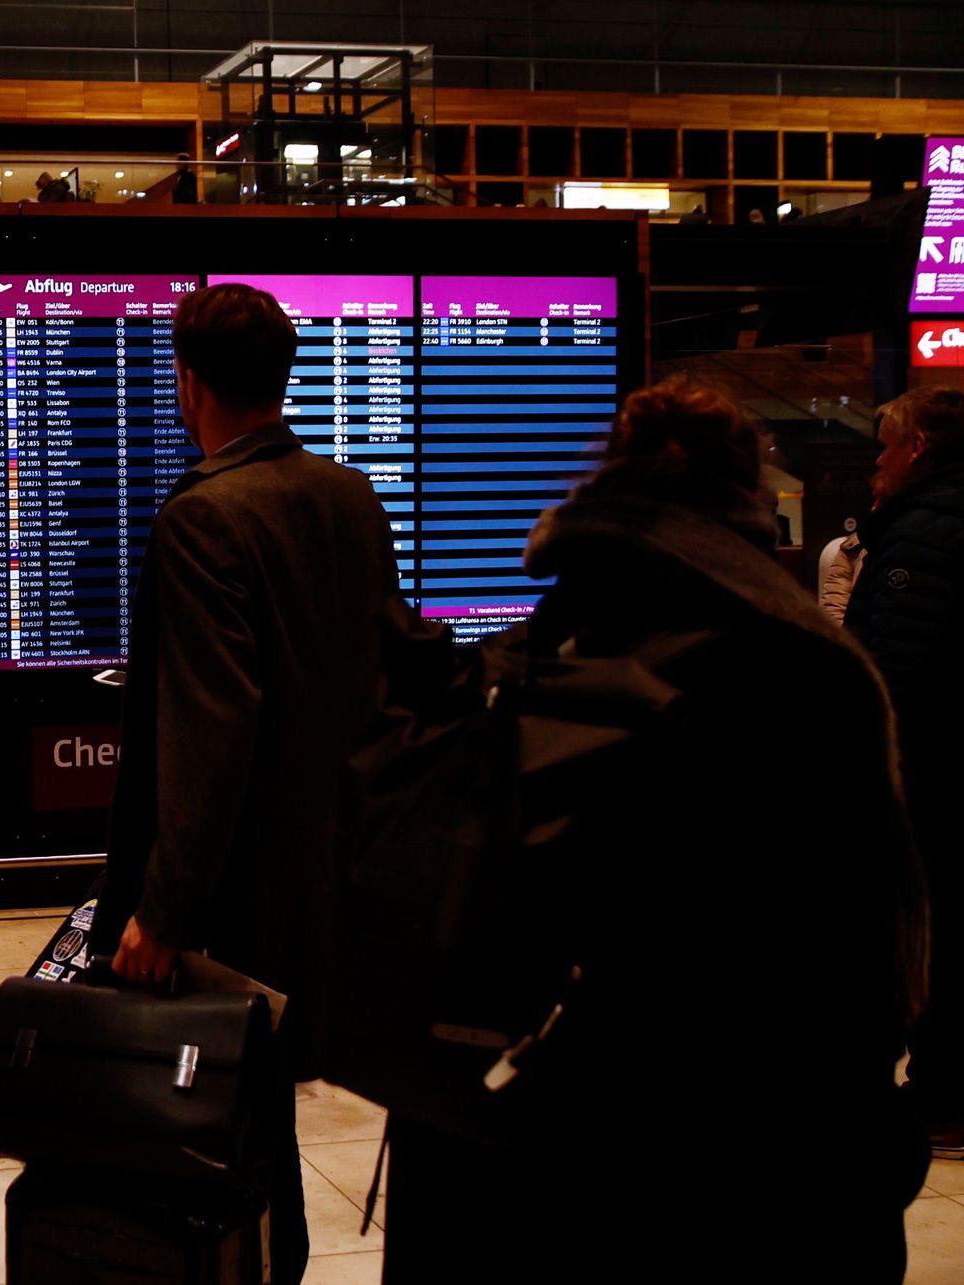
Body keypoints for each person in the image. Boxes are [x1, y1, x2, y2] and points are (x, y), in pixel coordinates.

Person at [386, 380, 930, 1281]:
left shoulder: (526, 657)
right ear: (750, 502)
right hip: (745, 1148)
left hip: (524, 1134)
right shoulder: (809, 669)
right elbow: (868, 949)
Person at [91, 283, 398, 1283]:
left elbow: (210, 725)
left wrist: (161, 907)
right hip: (332, 869)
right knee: (263, 1122)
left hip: (234, 895)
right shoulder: (347, 496)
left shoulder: (202, 518)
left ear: (185, 381)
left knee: (216, 1134)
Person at [847, 385, 964, 1159]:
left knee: (936, 930)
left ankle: (944, 1094)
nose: (874, 468)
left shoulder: (926, 530)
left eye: (884, 447)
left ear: (917, 447)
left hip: (931, 773)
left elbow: (894, 671)